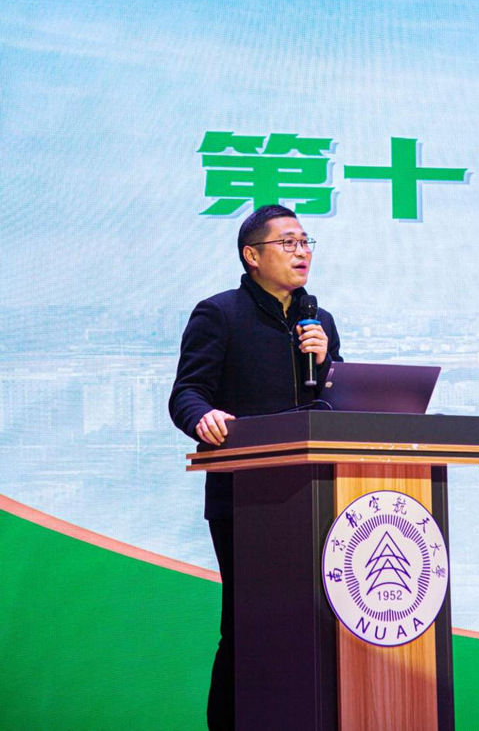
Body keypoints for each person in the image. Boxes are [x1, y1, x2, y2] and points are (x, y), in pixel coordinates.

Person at [169, 204, 342, 731]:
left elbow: (340, 404)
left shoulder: (320, 322)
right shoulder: (219, 314)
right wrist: (204, 418)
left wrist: (327, 362)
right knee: (249, 627)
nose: (302, 252)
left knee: (317, 624)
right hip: (245, 499)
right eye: (288, 242)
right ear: (252, 255)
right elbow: (187, 394)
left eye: (305, 241)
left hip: (320, 498)